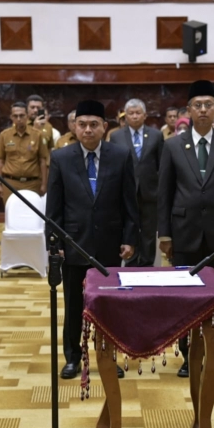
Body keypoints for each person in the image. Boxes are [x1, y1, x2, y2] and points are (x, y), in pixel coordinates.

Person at [158, 79, 214, 378]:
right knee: (185, 299)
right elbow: (165, 193)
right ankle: (189, 357)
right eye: (197, 105)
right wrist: (165, 234)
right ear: (189, 110)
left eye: (208, 105)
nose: (202, 110)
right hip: (184, 235)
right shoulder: (173, 146)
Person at [46, 99, 140, 380]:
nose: (88, 130)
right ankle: (73, 358)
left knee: (108, 306)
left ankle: (108, 357)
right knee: (74, 306)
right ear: (74, 126)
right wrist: (56, 245)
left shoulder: (120, 155)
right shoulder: (61, 158)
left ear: (104, 127)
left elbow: (129, 203)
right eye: (82, 124)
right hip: (73, 244)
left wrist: (129, 238)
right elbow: (54, 208)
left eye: (94, 124)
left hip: (109, 244)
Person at [108, 99, 164, 267]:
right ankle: (131, 264)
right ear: (125, 116)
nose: (134, 116)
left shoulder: (156, 135)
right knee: (130, 228)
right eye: (131, 113)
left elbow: (161, 165)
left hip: (149, 192)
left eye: (138, 113)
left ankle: (147, 263)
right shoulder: (116, 136)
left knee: (148, 231)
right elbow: (112, 164)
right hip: (126, 192)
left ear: (145, 115)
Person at [0, 101, 50, 199]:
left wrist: (44, 184)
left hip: (32, 184)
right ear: (11, 117)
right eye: (15, 116)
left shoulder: (37, 135)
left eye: (22, 116)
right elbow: (0, 161)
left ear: (27, 116)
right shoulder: (4, 135)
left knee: (32, 213)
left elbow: (43, 161)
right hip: (10, 183)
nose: (19, 119)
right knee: (11, 213)